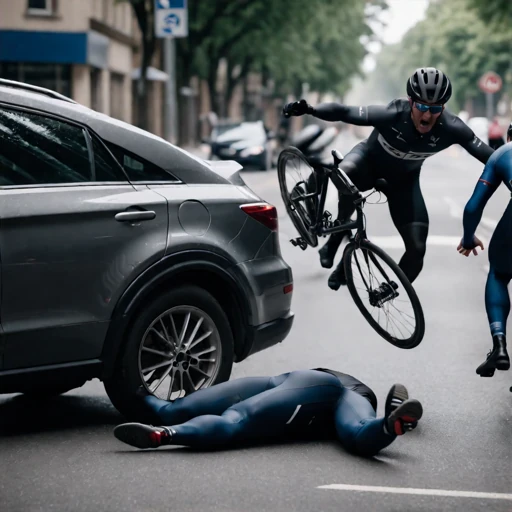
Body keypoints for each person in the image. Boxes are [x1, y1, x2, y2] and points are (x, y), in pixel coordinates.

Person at [283, 67, 494, 290]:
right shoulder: (393, 113)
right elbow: (344, 111)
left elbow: (493, 158)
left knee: (417, 248)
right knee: (345, 174)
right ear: (410, 101)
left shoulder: (452, 128)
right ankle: (335, 237)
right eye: (421, 106)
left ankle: (387, 289)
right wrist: (311, 109)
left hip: (403, 182)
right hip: (366, 164)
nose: (427, 115)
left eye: (435, 108)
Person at [113, 368, 423, 458]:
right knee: (236, 420)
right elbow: (355, 431)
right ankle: (389, 424)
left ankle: (136, 393)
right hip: (315, 388)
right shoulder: (354, 399)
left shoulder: (345, 393)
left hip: (293, 380)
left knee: (176, 409)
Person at [457, 122, 512, 377]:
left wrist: (468, 238)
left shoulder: (503, 153)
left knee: (499, 274)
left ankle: (499, 344)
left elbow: (472, 208)